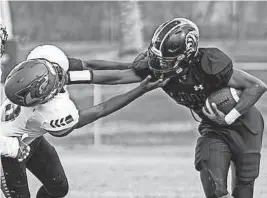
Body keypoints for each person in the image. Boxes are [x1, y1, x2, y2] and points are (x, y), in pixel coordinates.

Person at [68, 18, 266, 198]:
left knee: (243, 189)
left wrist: (230, 117)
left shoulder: (209, 65)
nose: (159, 63)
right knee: (213, 182)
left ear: (186, 56)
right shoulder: (161, 71)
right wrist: (70, 77)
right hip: (213, 127)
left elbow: (257, 86)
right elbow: (118, 76)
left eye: (166, 59)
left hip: (246, 126)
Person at [0, 45, 168, 198]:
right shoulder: (49, 113)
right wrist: (141, 90)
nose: (59, 77)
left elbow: (90, 69)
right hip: (7, 152)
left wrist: (132, 69)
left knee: (58, 189)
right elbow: (100, 110)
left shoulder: (46, 64)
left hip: (29, 138)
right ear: (42, 99)